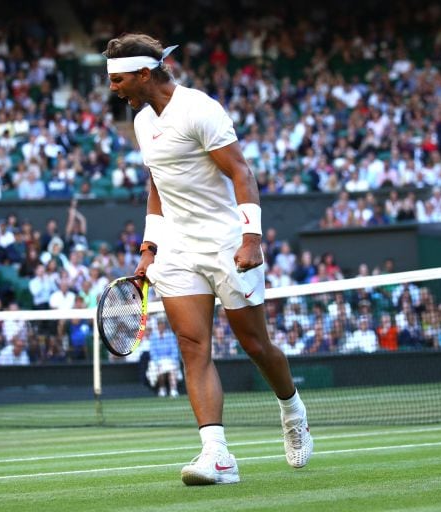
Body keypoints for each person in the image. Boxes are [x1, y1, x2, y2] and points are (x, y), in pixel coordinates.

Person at [105, 33, 312, 486]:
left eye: (119, 79)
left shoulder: (200, 109)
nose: (113, 87)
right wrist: (149, 247)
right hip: (177, 248)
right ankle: (217, 455)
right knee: (192, 346)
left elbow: (241, 172)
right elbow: (157, 185)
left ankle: (292, 407)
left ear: (145, 74)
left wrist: (252, 238)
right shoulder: (142, 122)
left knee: (256, 345)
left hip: (226, 242)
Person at [148, 317, 182, 398]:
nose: (161, 326)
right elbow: (152, 352)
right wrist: (158, 362)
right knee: (160, 371)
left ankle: (173, 389)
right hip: (158, 361)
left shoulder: (170, 336)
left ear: (164, 326)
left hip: (169, 359)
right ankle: (162, 389)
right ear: (157, 326)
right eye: (159, 324)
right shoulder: (153, 337)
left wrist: (172, 360)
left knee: (172, 369)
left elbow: (174, 349)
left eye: (162, 324)